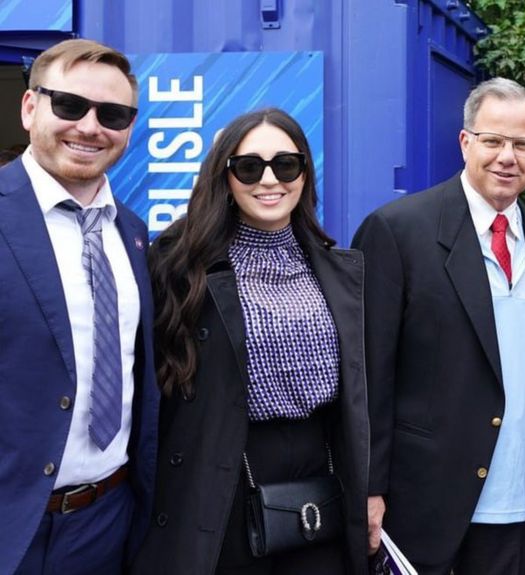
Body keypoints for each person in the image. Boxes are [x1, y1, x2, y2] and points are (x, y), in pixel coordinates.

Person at [132, 108, 370, 574]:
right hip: (221, 470)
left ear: (303, 172)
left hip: (321, 469)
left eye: (285, 165)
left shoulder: (340, 268)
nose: (269, 180)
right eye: (248, 166)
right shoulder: (180, 266)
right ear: (225, 176)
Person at [352, 77, 525, 575]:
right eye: (492, 140)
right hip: (420, 504)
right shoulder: (398, 231)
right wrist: (366, 489)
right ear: (465, 142)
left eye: (522, 144)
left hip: (517, 504)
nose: (507, 156)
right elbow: (368, 373)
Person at [0, 38, 158, 574]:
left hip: (108, 524)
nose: (90, 127)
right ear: (30, 107)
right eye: (70, 105)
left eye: (112, 113)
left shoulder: (133, 235)